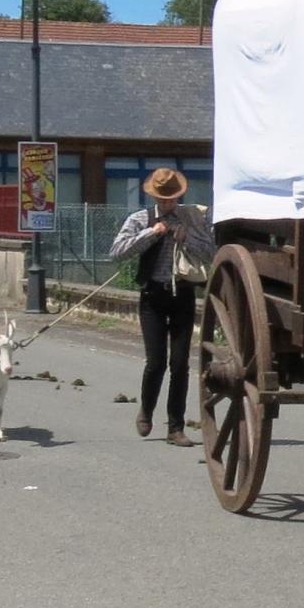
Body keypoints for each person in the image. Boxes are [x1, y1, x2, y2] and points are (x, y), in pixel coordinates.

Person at [110, 168, 214, 447]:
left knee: (180, 363)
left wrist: (186, 238)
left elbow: (211, 252)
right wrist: (150, 234)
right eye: (163, 200)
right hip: (152, 296)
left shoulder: (191, 219)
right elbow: (117, 252)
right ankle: (146, 410)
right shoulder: (139, 219)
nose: (168, 205)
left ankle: (176, 427)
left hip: (183, 294)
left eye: (172, 200)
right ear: (154, 197)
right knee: (155, 362)